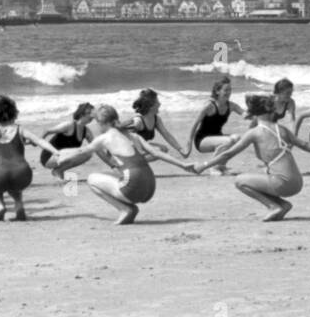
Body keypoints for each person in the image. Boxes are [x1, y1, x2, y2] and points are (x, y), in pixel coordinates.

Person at [192, 94, 310, 221]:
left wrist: (204, 165)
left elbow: (227, 154)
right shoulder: (282, 129)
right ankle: (283, 205)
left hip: (283, 184)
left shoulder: (254, 132)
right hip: (298, 183)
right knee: (264, 175)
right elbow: (305, 145)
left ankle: (273, 206)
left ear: (254, 114)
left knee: (240, 181)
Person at [49, 105, 197, 225]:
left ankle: (125, 209)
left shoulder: (104, 138)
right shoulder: (133, 135)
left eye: (98, 124)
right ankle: (128, 207)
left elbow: (82, 151)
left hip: (133, 188)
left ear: (102, 123)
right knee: (114, 174)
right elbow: (157, 153)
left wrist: (60, 154)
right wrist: (183, 165)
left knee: (92, 179)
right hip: (150, 187)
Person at [0, 95, 60, 221]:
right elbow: (39, 141)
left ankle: (0, 205)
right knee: (15, 186)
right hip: (22, 174)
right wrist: (56, 152)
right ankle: (19, 205)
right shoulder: (20, 129)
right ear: (13, 113)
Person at [186, 78, 245, 174]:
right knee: (228, 141)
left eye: (230, 90)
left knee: (238, 138)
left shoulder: (231, 106)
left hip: (218, 138)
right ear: (217, 91)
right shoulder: (209, 106)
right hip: (202, 140)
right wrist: (189, 144)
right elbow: (195, 124)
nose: (229, 92)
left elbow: (246, 115)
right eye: (226, 90)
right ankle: (213, 168)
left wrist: (260, 112)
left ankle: (221, 166)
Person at [122, 89, 185, 154]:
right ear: (151, 106)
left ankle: (140, 162)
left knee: (163, 149)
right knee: (158, 150)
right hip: (128, 150)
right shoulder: (139, 120)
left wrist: (180, 149)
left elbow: (166, 134)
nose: (160, 104)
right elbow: (122, 133)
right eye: (157, 101)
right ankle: (136, 163)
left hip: (139, 149)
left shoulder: (156, 119)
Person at [38, 102, 96, 167]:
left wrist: (109, 161)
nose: (92, 116)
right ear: (82, 114)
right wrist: (38, 142)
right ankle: (59, 170)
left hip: (64, 157)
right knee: (82, 152)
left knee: (88, 153)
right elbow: (47, 131)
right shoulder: (69, 125)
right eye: (90, 113)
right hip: (49, 157)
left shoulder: (87, 131)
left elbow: (97, 147)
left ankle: (59, 171)